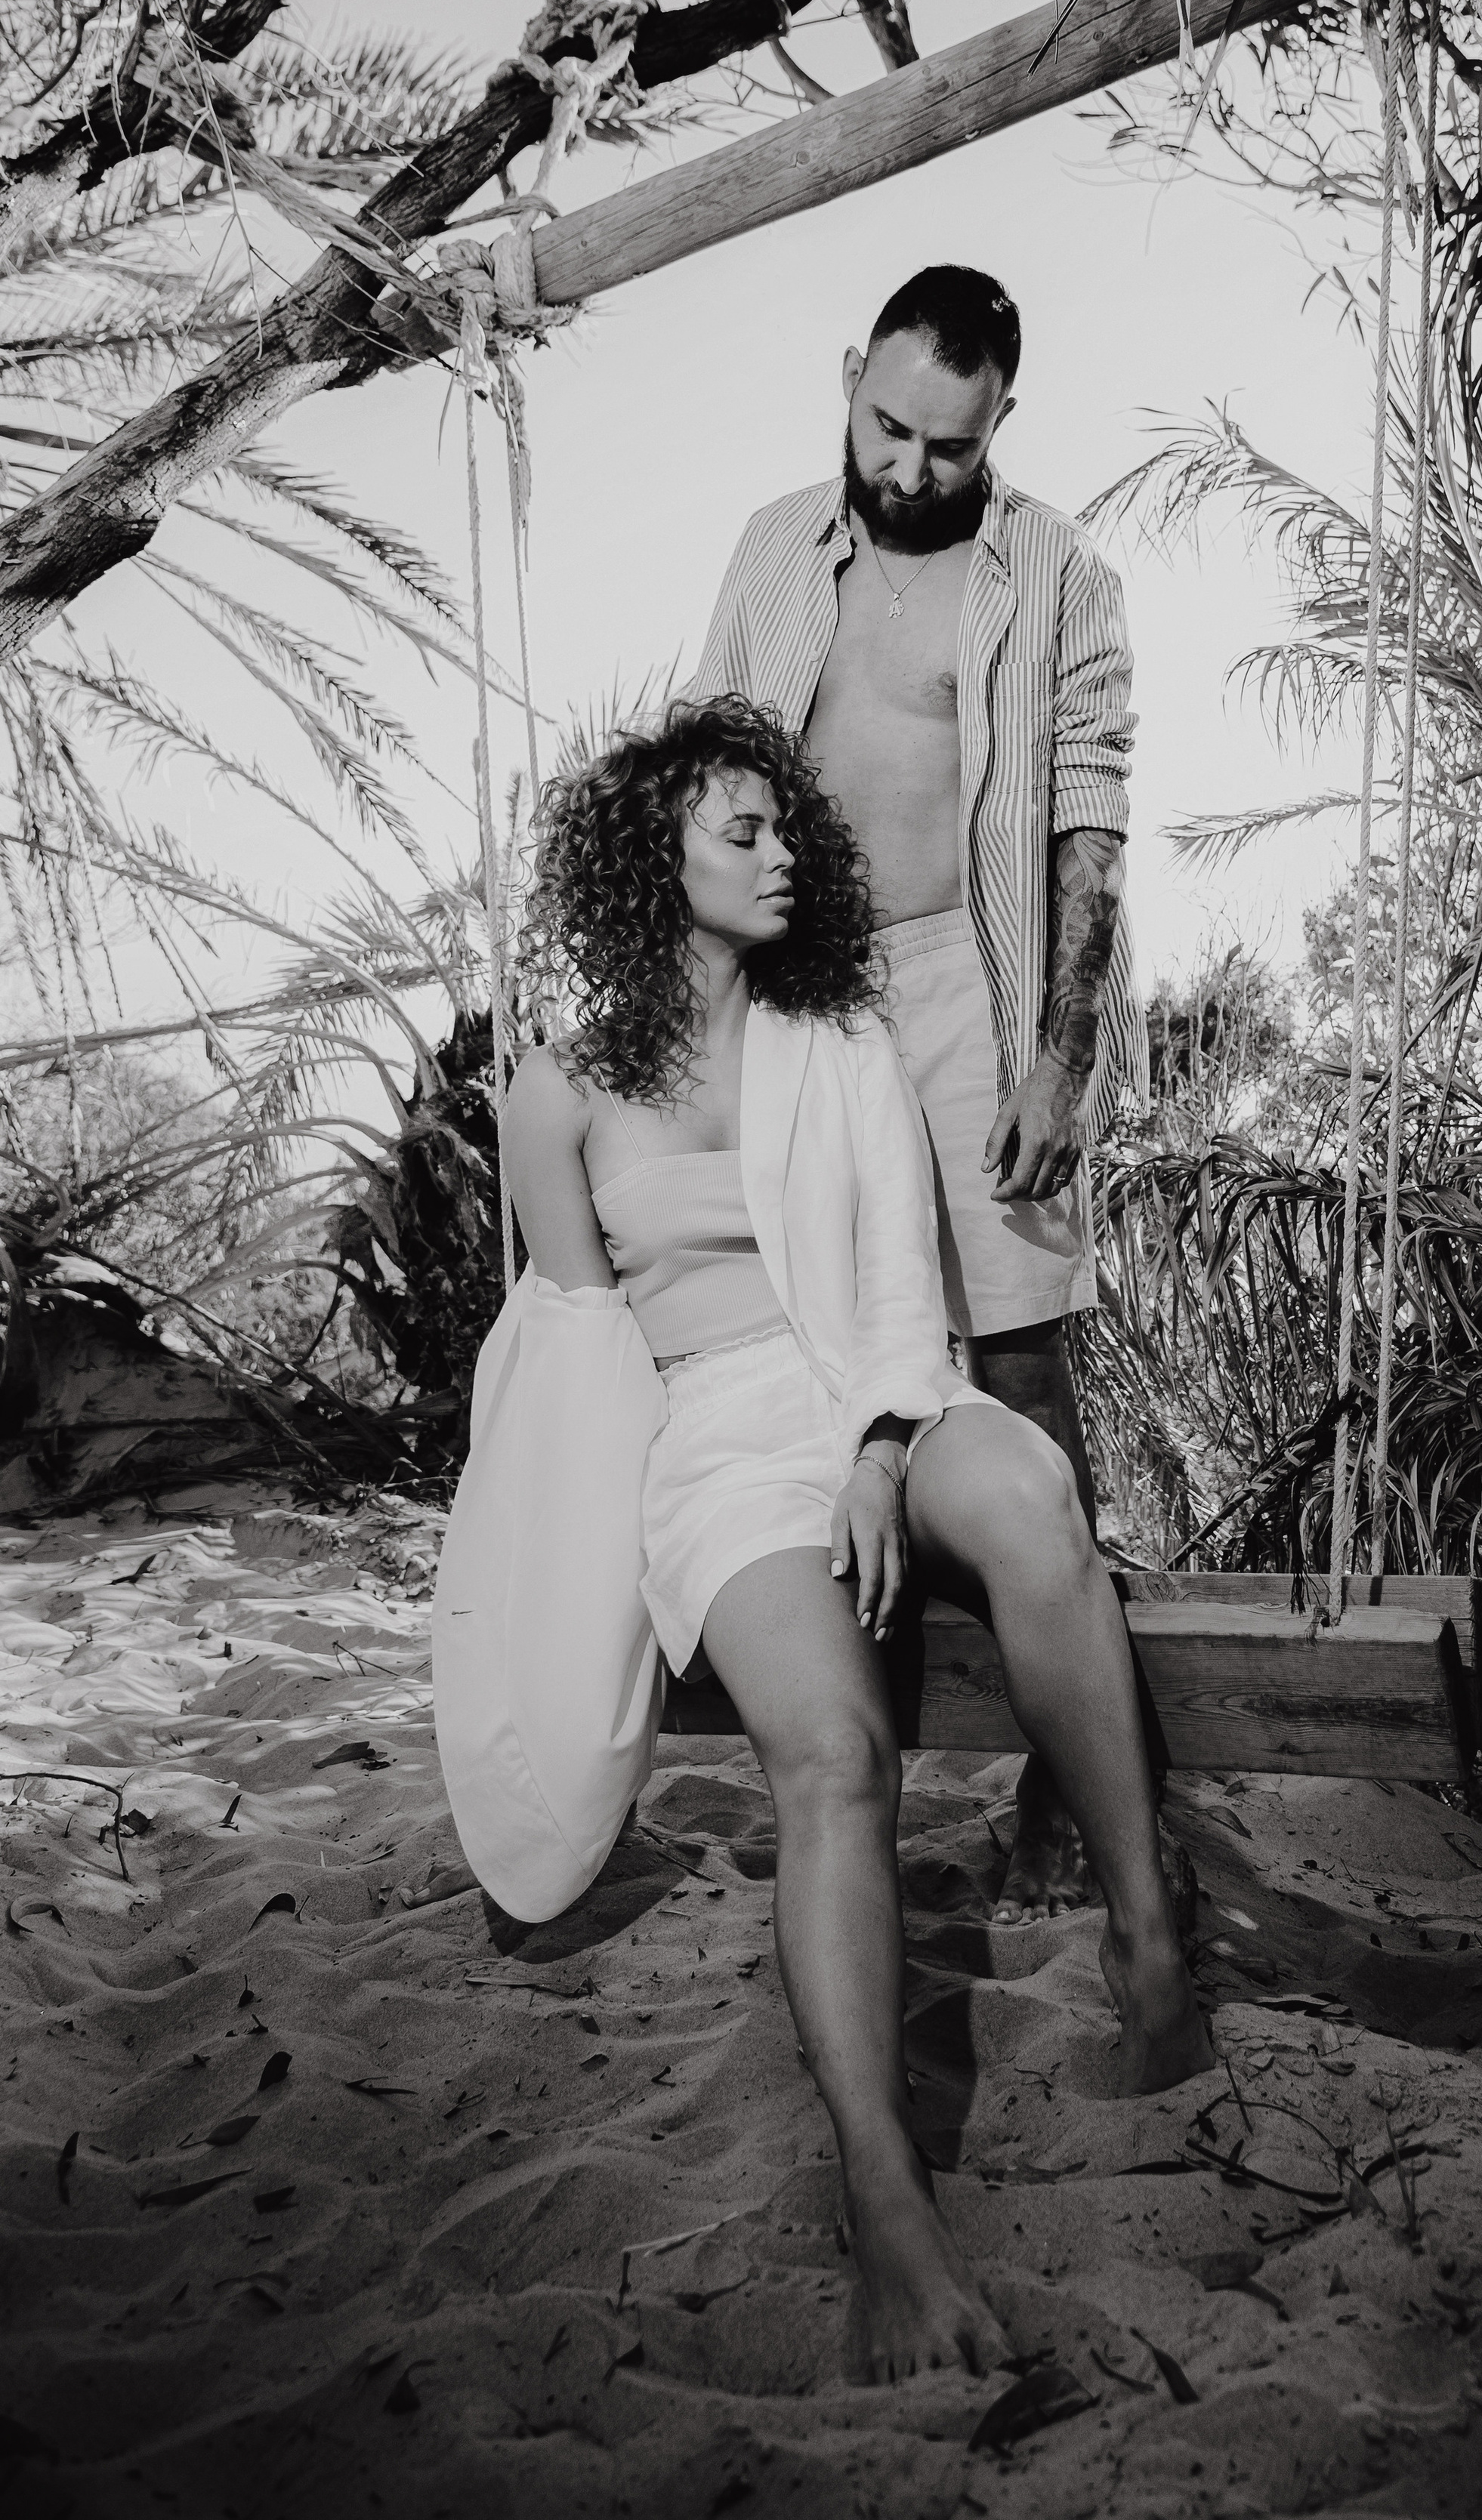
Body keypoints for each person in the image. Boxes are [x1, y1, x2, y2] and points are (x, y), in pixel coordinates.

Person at [431, 697, 1210, 2387]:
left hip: (874, 1391)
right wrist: (553, 1604)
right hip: (712, 1442)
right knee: (834, 1761)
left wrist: (875, 1447)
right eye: (744, 833)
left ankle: (1150, 1938)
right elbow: (573, 1360)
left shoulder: (838, 1030)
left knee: (1021, 1495)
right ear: (661, 861)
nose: (784, 852)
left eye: (786, 831)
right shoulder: (554, 1098)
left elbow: (891, 1290)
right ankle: (884, 2203)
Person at [694, 264, 1144, 1923]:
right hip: (797, 990)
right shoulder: (765, 546)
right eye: (885, 424)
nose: (904, 469)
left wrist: (1061, 1053)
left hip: (974, 978)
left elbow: (1088, 822)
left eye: (946, 447)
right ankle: (842, 1748)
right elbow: (706, 782)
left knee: (1018, 1362)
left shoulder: (1060, 575)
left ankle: (1066, 1790)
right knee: (794, 1342)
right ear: (850, 377)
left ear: (997, 426)